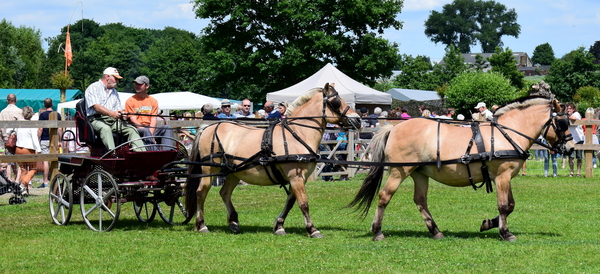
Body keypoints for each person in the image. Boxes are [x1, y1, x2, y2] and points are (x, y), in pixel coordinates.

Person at [85, 67, 145, 152]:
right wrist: (111, 114)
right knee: (105, 129)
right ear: (107, 77)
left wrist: (123, 115)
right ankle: (113, 154)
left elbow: (117, 110)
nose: (117, 81)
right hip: (96, 119)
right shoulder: (93, 87)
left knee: (131, 129)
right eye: (116, 79)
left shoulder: (114, 92)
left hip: (112, 120)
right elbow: (96, 107)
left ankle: (141, 154)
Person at [125, 76, 174, 151]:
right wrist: (150, 136)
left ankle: (167, 152)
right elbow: (133, 120)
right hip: (136, 129)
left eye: (139, 84)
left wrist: (150, 134)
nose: (136, 86)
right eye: (135, 84)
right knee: (145, 131)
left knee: (167, 127)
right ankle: (156, 153)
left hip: (150, 128)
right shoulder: (130, 101)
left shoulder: (153, 101)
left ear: (147, 86)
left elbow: (153, 120)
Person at [15, 107, 41, 193]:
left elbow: (8, 131)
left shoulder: (18, 123)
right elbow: (34, 138)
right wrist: (38, 149)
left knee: (23, 169)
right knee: (33, 169)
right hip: (29, 149)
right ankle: (23, 185)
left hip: (18, 148)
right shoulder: (32, 125)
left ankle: (24, 190)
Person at [37, 98, 62, 188]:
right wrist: (60, 140)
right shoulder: (57, 115)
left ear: (44, 105)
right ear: (52, 104)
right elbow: (60, 129)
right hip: (54, 140)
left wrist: (38, 138)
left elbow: (40, 128)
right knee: (54, 160)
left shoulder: (42, 115)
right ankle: (55, 179)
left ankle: (45, 182)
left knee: (46, 161)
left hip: (44, 139)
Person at [0, 94, 24, 182]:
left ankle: (9, 178)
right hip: (17, 138)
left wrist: (2, 136)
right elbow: (22, 126)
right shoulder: (19, 111)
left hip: (6, 139)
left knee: (8, 160)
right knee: (19, 160)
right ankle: (16, 179)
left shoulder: (2, 112)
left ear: (7, 101)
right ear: (16, 100)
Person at [566, 103, 584, 177]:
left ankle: (578, 173)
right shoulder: (566, 116)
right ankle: (571, 172)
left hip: (579, 138)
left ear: (573, 109)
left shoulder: (577, 114)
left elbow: (573, 118)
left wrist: (566, 117)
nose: (568, 110)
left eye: (570, 108)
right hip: (570, 139)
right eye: (567, 108)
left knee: (579, 157)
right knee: (571, 157)